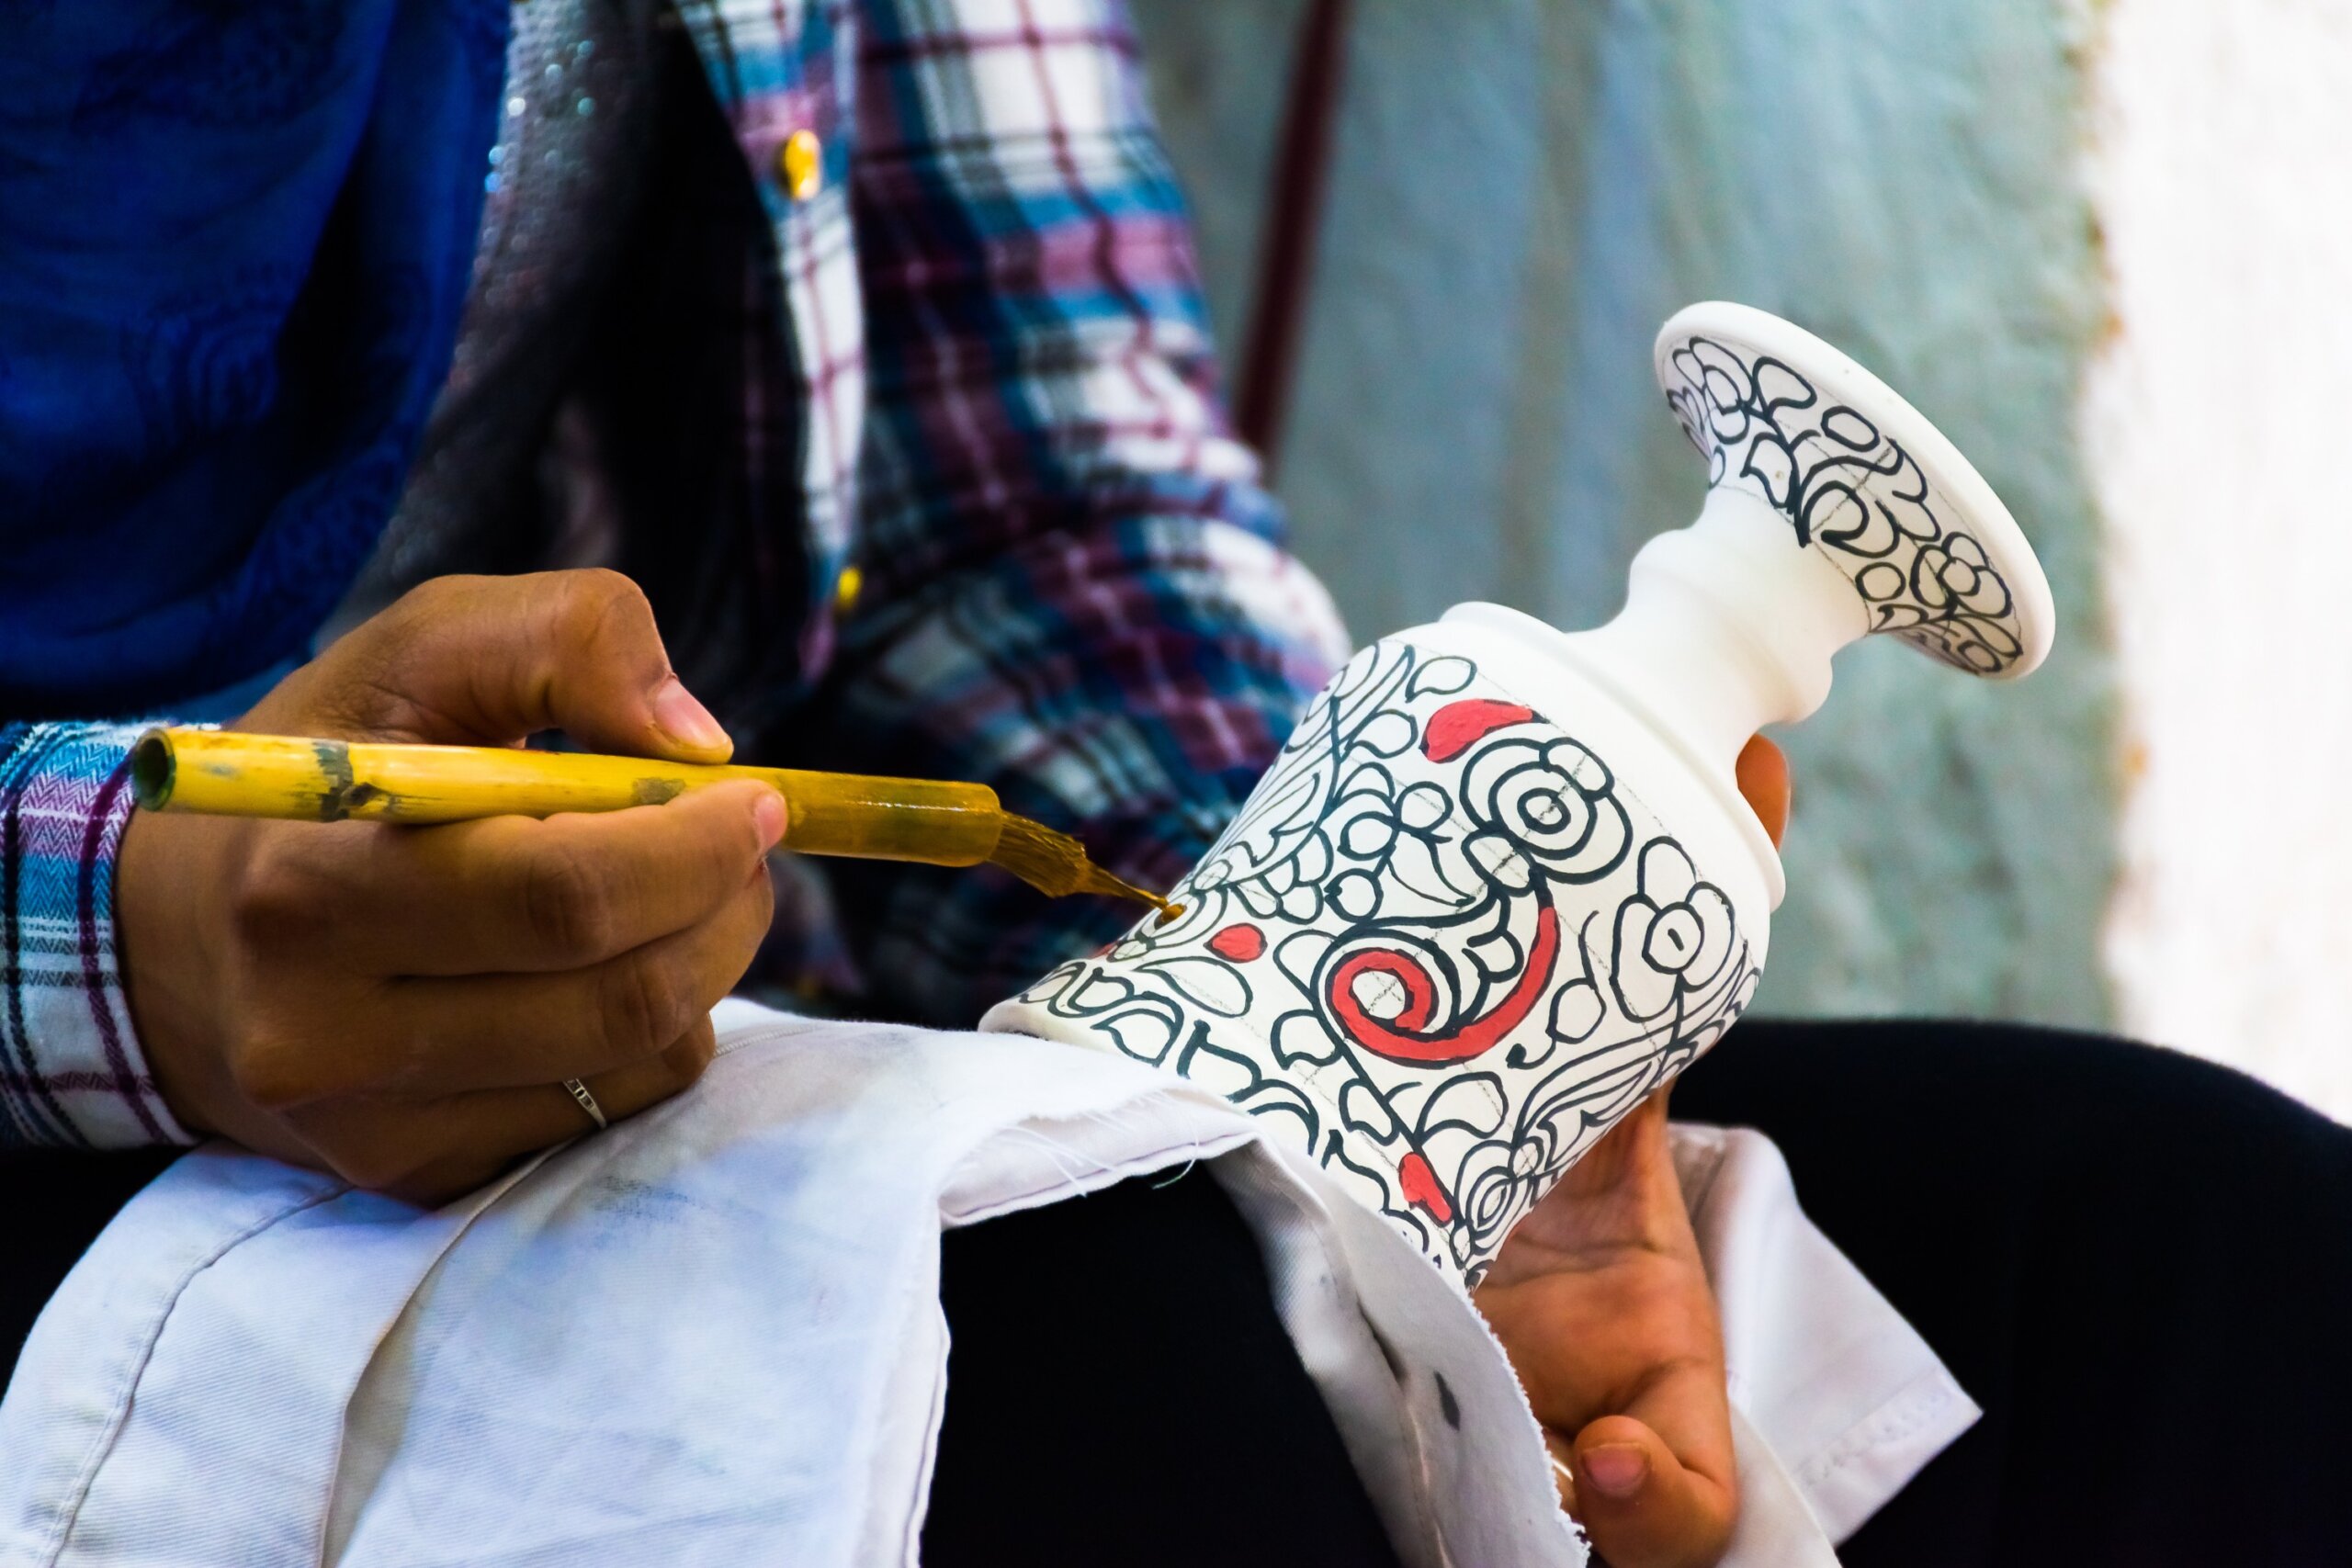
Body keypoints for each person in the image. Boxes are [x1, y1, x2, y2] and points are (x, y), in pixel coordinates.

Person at [5, 4, 2350, 1566]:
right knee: (1172, 1402)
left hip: (623, 1027)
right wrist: (118, 928)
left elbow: (1018, 498)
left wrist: (1400, 1030)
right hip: (74, 1051)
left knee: (2184, 1266)